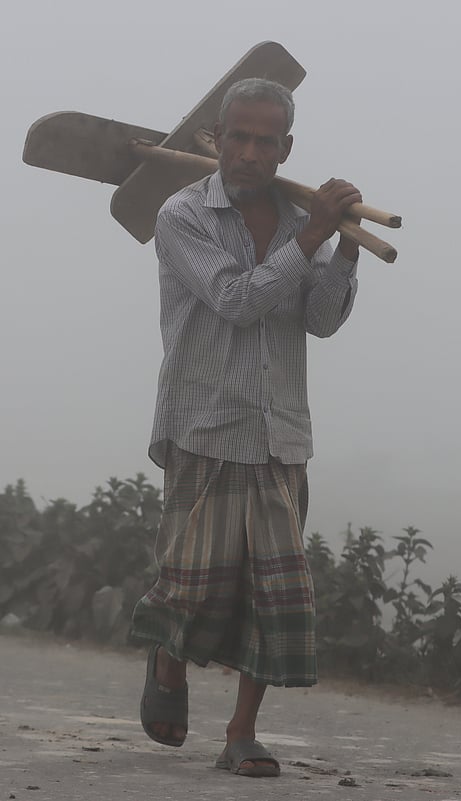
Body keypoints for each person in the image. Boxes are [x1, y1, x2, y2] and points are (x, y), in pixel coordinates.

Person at [129, 77, 364, 778]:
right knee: (192, 584)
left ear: (285, 147)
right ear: (218, 140)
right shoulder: (182, 216)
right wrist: (315, 235)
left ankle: (241, 731)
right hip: (206, 421)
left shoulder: (298, 219)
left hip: (279, 430)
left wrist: (343, 248)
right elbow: (235, 300)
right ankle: (167, 659)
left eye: (267, 141)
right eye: (240, 137)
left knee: (275, 592)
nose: (252, 153)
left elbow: (318, 318)